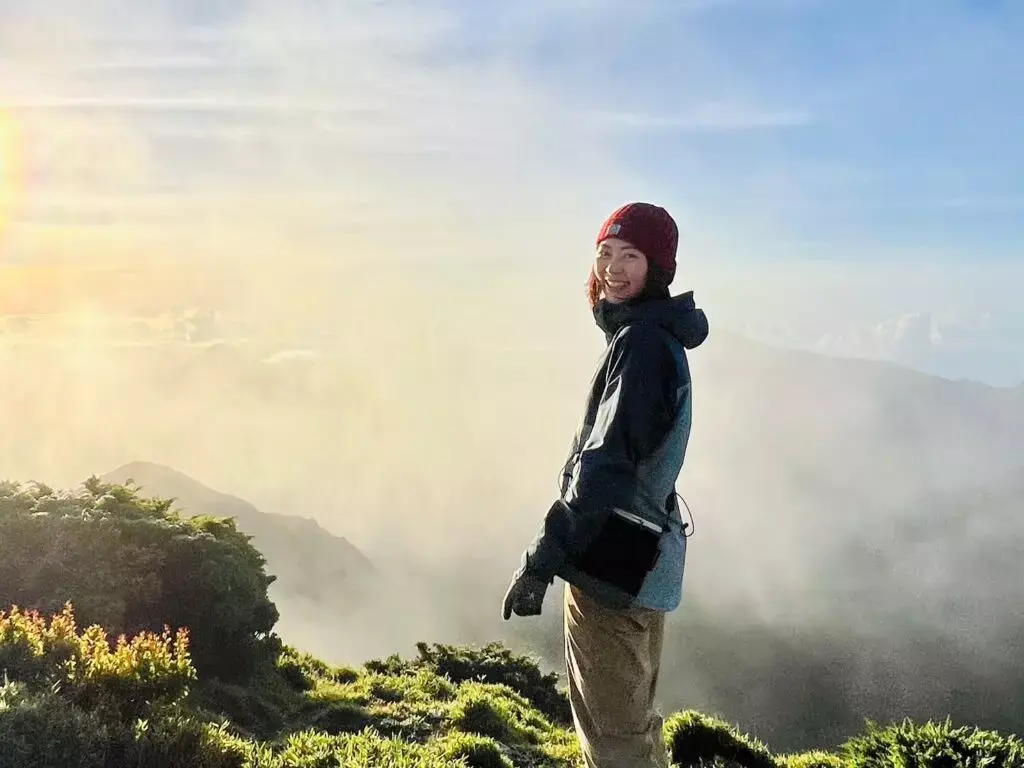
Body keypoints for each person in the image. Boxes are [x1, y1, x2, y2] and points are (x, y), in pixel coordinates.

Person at [501, 202, 709, 767]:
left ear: (658, 268)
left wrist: (541, 559)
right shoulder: (654, 339)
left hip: (610, 565)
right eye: (604, 253)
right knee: (633, 722)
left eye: (631, 256)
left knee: (614, 735)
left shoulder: (641, 346)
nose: (612, 268)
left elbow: (603, 471)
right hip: (642, 559)